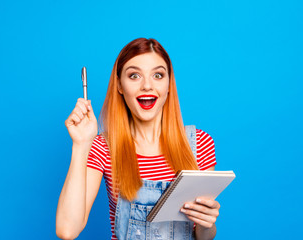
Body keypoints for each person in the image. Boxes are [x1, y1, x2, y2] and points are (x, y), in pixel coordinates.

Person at [56, 38, 220, 240]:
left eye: (158, 75)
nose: (147, 85)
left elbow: (203, 236)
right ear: (120, 86)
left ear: (169, 84)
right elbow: (67, 230)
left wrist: (207, 224)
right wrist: (81, 144)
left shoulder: (199, 144)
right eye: (134, 76)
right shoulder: (104, 148)